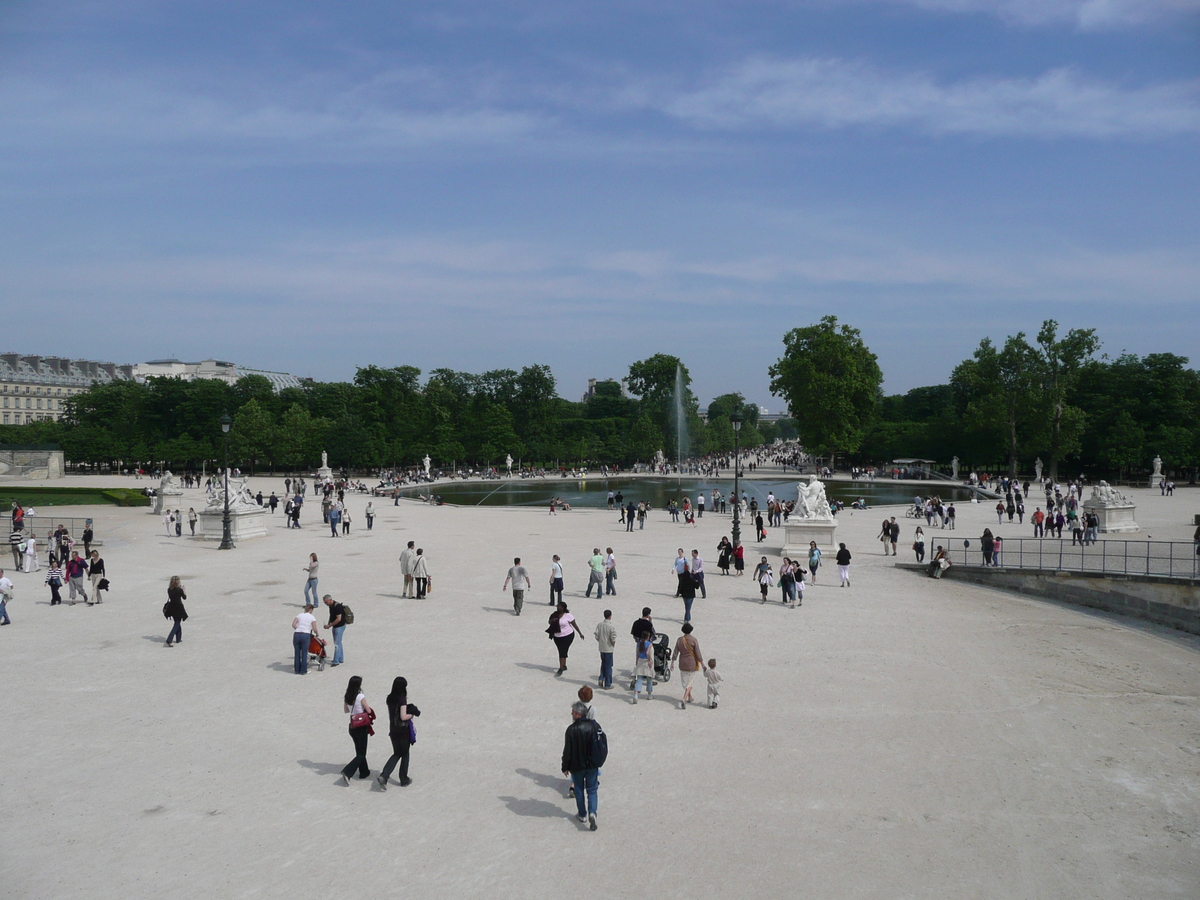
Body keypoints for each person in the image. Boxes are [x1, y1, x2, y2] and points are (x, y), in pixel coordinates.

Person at [561, 700, 602, 831]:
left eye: (573, 712)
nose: (571, 714)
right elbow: (601, 745)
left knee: (579, 790)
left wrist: (565, 766)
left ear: (578, 714)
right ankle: (592, 812)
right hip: (591, 765)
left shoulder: (571, 729)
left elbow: (567, 750)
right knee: (592, 790)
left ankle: (582, 814)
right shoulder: (594, 726)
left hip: (577, 765)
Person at [378, 676, 417, 789]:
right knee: (405, 754)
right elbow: (403, 716)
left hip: (393, 729)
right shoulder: (402, 698)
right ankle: (403, 779)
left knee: (396, 753)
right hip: (402, 730)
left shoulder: (389, 698)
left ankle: (384, 775)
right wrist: (412, 714)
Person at [338, 675, 375, 785]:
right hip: (361, 727)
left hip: (352, 726)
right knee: (361, 754)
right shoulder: (360, 696)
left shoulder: (347, 696)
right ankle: (347, 772)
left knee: (359, 750)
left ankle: (364, 772)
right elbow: (368, 710)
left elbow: (345, 710)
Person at [671, 623, 705, 708]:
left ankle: (690, 697)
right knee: (690, 682)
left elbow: (675, 652)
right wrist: (703, 664)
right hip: (692, 663)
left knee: (686, 681)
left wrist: (672, 662)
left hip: (682, 662)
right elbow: (698, 653)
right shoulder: (693, 640)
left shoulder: (679, 640)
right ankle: (684, 698)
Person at [549, 601, 585, 676]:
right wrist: (552, 621)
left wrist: (580, 633)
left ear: (563, 608)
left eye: (559, 606)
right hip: (557, 636)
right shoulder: (554, 614)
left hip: (568, 635)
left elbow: (575, 625)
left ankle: (561, 668)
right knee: (561, 650)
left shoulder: (568, 615)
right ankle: (564, 665)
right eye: (557, 606)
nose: (558, 608)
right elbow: (549, 622)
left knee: (562, 651)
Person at [291, 603, 318, 674]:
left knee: (297, 653)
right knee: (304, 653)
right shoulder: (312, 617)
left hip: (297, 634)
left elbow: (293, 624)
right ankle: (303, 670)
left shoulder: (299, 615)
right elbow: (314, 628)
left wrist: (299, 629)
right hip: (305, 635)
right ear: (311, 610)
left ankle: (297, 670)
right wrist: (317, 633)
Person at [594, 609, 616, 689]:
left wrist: (599, 640)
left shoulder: (599, 625)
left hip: (601, 647)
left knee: (603, 663)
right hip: (608, 649)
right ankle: (607, 684)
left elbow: (596, 634)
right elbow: (613, 637)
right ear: (610, 616)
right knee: (608, 666)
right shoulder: (611, 626)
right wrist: (613, 643)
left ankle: (601, 678)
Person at [164, 575, 188, 647]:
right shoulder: (179, 590)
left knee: (177, 622)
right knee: (177, 624)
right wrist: (184, 590)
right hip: (179, 608)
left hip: (172, 608)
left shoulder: (169, 589)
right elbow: (184, 598)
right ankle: (169, 639)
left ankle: (178, 638)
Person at [323, 594, 346, 666]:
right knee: (339, 643)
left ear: (330, 600)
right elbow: (331, 615)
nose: (325, 604)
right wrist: (329, 624)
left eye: (326, 602)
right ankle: (340, 658)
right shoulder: (331, 606)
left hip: (339, 627)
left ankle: (336, 661)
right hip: (336, 626)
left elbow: (338, 619)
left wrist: (330, 625)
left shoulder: (337, 606)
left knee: (337, 644)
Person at [632, 630, 655, 703]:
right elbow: (648, 653)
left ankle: (636, 694)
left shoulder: (639, 644)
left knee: (639, 679)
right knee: (649, 679)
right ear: (648, 637)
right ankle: (649, 694)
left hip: (640, 661)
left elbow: (637, 654)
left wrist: (636, 661)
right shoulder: (650, 644)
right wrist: (650, 660)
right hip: (646, 662)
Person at [678, 557, 697, 622]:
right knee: (688, 608)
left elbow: (680, 588)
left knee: (687, 607)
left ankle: (688, 618)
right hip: (690, 596)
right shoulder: (692, 580)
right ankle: (686, 619)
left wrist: (680, 593)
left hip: (685, 596)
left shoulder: (683, 581)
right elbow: (697, 587)